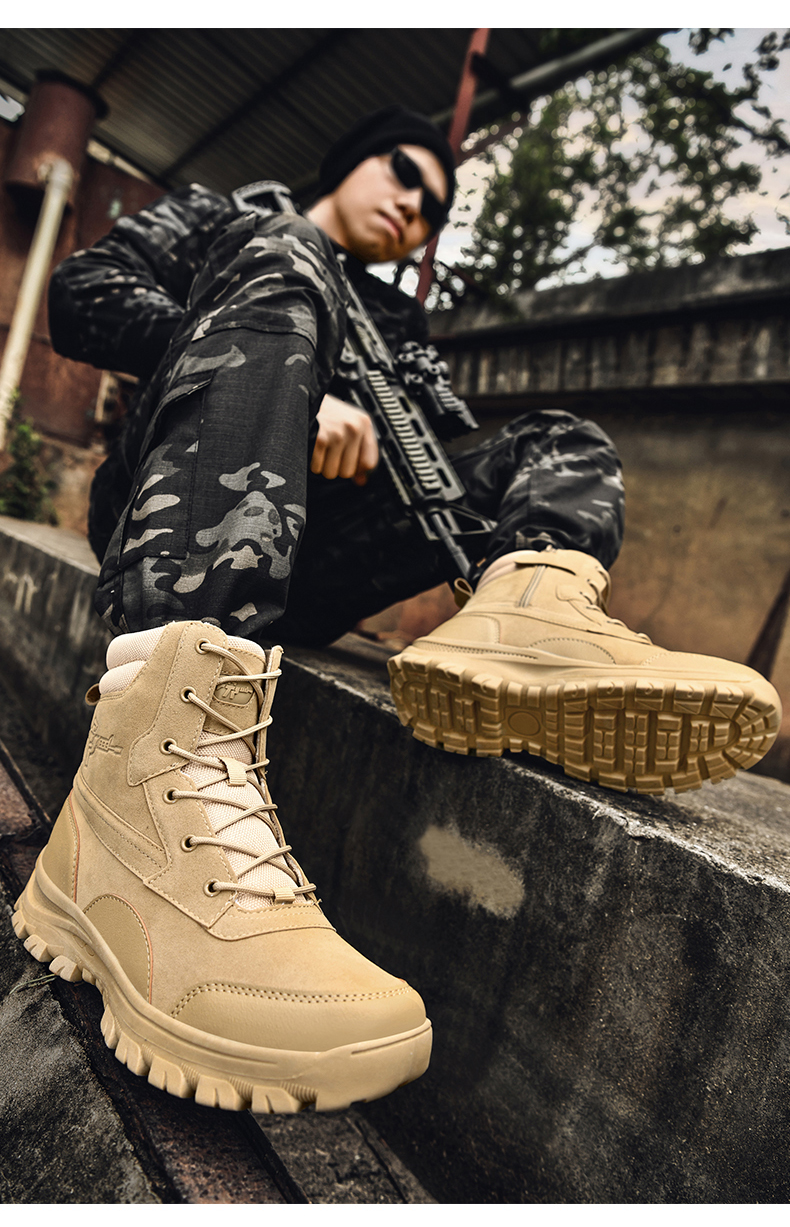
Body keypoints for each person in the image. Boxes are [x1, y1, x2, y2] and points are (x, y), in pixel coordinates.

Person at [14, 108, 779, 1113]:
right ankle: (144, 776)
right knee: (284, 259)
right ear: (348, 160)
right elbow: (83, 297)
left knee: (559, 438)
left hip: (308, 550)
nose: (414, 207)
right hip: (175, 512)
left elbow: (424, 451)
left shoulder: (399, 325)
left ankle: (529, 615)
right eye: (402, 172)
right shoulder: (227, 216)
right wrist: (286, 364)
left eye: (434, 207)